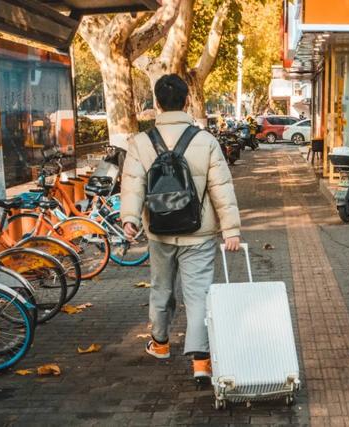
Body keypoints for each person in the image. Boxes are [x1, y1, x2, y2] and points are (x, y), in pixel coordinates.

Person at [120, 74, 241, 382]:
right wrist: (231, 230)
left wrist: (130, 219)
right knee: (199, 294)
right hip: (198, 232)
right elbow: (221, 189)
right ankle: (201, 362)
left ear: (157, 103)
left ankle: (160, 344)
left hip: (158, 232)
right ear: (187, 100)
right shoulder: (206, 141)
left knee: (161, 288)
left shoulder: (140, 142)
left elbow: (133, 185)